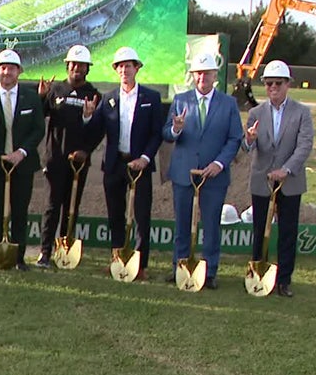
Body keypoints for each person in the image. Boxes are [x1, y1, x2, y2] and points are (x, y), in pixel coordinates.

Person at [163, 52, 243, 289]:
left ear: (215, 76)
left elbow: (235, 138)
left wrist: (219, 163)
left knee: (210, 225)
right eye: (198, 73)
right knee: (183, 224)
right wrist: (176, 129)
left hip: (214, 175)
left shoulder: (228, 104)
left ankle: (209, 272)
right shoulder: (180, 100)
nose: (202, 78)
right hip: (183, 173)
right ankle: (180, 265)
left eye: (206, 73)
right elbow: (166, 134)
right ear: (192, 76)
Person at [84, 47, 164, 279]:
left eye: (128, 65)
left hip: (141, 165)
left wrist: (145, 159)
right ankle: (117, 261)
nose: (124, 70)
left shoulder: (151, 97)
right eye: (120, 66)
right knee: (115, 215)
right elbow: (96, 130)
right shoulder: (108, 98)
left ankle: (141, 266)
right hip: (114, 165)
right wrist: (88, 116)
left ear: (137, 68)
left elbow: (156, 133)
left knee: (141, 216)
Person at [243, 60, 314, 297]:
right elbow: (246, 147)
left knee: (287, 232)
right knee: (259, 229)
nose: (273, 87)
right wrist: (250, 140)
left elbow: (305, 145)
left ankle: (284, 281)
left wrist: (287, 169)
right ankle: (257, 274)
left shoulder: (302, 112)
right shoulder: (255, 113)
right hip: (262, 181)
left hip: (290, 182)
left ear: (287, 84)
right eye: (269, 83)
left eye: (278, 83)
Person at [0, 49, 45, 271]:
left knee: (20, 209)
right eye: (3, 68)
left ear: (19, 72)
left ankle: (19, 257)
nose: (7, 72)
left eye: (11, 68)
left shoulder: (31, 97)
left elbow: (38, 129)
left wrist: (21, 152)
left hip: (22, 163)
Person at [36, 45, 103, 268]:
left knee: (71, 206)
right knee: (51, 206)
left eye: (81, 65)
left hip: (79, 162)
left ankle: (63, 251)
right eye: (73, 64)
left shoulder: (93, 94)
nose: (77, 68)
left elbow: (98, 129)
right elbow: (41, 116)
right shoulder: (56, 89)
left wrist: (86, 149)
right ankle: (44, 252)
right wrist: (42, 97)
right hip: (55, 158)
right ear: (67, 66)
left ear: (87, 69)